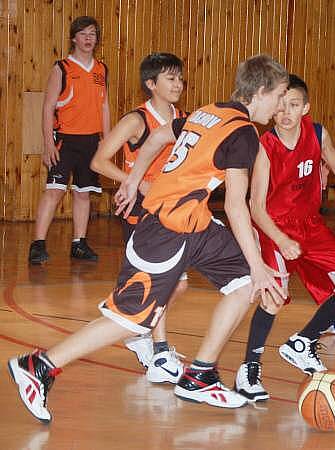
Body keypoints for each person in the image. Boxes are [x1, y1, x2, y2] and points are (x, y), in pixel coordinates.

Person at [8, 54, 288, 423]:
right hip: (166, 230)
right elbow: (237, 206)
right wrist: (259, 264)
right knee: (131, 320)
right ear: (263, 91)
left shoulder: (210, 111)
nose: (281, 104)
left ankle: (200, 375)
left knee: (243, 284)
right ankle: (40, 365)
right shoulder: (244, 132)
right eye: (280, 96)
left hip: (195, 222)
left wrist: (134, 179)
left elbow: (159, 136)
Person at [234, 75, 335, 402]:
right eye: (281, 106)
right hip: (275, 227)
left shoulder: (317, 133)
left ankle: (302, 342)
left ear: (306, 107)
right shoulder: (265, 146)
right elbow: (255, 207)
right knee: (273, 297)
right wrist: (280, 239)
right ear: (272, 108)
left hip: (311, 225)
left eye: (294, 105)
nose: (286, 112)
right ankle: (249, 368)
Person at [90, 53, 188, 383]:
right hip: (141, 211)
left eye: (180, 78)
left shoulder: (185, 119)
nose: (178, 84)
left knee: (176, 285)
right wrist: (136, 182)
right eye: (170, 78)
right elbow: (99, 162)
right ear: (151, 84)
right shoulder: (137, 121)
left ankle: (135, 322)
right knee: (166, 281)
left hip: (173, 211)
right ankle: (158, 348)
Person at [28, 16, 110, 264]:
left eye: (93, 34)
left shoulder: (101, 69)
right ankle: (38, 244)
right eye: (83, 34)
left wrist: (106, 140)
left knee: (83, 193)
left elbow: (104, 105)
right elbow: (47, 107)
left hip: (90, 141)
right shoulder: (61, 68)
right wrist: (48, 143)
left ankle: (79, 244)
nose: (88, 38)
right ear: (73, 38)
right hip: (64, 139)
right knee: (54, 191)